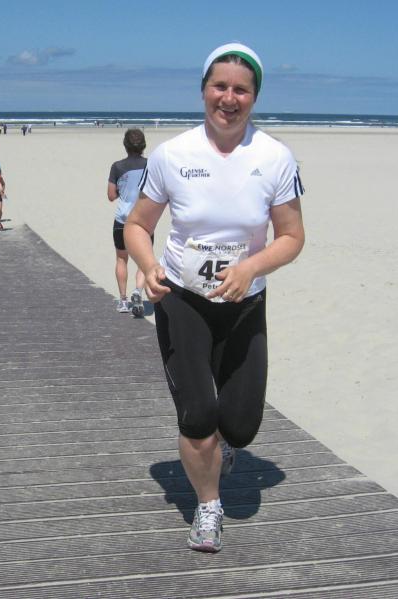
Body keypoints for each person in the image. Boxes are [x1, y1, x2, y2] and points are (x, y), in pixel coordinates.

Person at [124, 42, 305, 553]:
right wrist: (148, 265)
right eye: (219, 86)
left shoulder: (274, 157)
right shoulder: (172, 155)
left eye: (240, 90)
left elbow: (292, 237)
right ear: (203, 90)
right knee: (199, 415)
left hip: (244, 303)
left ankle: (224, 450)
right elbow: (137, 225)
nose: (229, 98)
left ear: (255, 97)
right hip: (183, 298)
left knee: (241, 427)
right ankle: (208, 505)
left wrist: (250, 267)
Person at [107, 129, 149, 315]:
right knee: (143, 261)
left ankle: (123, 301)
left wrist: (122, 189)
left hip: (122, 219)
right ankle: (138, 291)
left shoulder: (117, 166)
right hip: (143, 220)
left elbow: (111, 195)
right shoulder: (150, 165)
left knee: (121, 259)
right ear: (143, 145)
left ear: (125, 145)